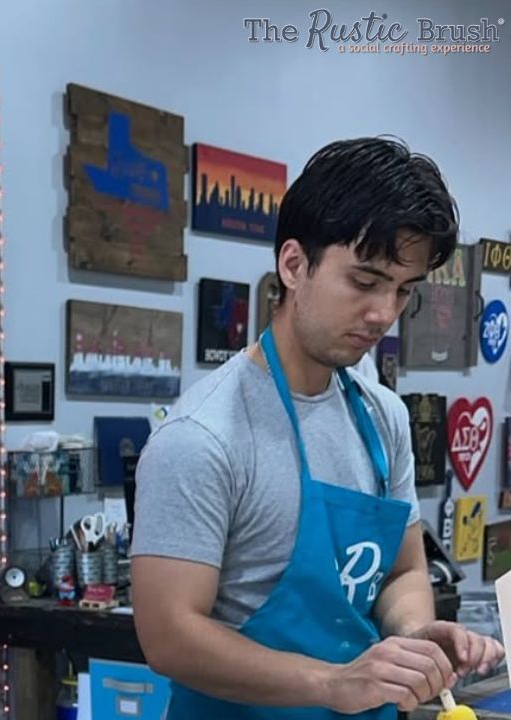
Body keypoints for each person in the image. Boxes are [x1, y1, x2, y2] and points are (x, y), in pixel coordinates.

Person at [131, 137, 504, 718]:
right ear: (293, 264)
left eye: (403, 291)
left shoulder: (384, 418)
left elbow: (403, 569)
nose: (384, 314)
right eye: (364, 282)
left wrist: (413, 639)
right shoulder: (201, 437)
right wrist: (331, 682)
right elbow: (169, 635)